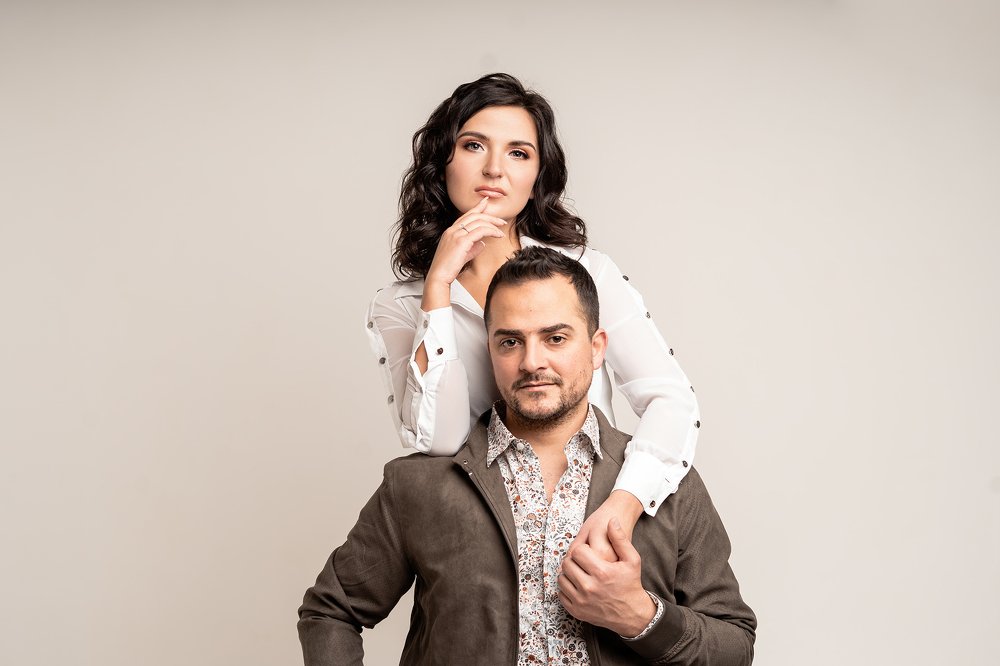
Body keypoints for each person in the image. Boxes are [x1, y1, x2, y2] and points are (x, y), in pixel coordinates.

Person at [302, 247, 755, 665]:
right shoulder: (418, 486)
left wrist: (640, 615)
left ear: (597, 347)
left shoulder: (666, 484)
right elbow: (330, 612)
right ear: (490, 350)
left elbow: (734, 646)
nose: (531, 362)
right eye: (510, 341)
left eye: (555, 338)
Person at [366, 73, 700, 554]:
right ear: (443, 162)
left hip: (593, 525)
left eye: (518, 153)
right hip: (480, 540)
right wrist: (438, 287)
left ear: (537, 175)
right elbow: (440, 442)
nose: (494, 170)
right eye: (474, 146)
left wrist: (623, 504)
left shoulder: (588, 272)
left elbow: (672, 400)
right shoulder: (401, 305)